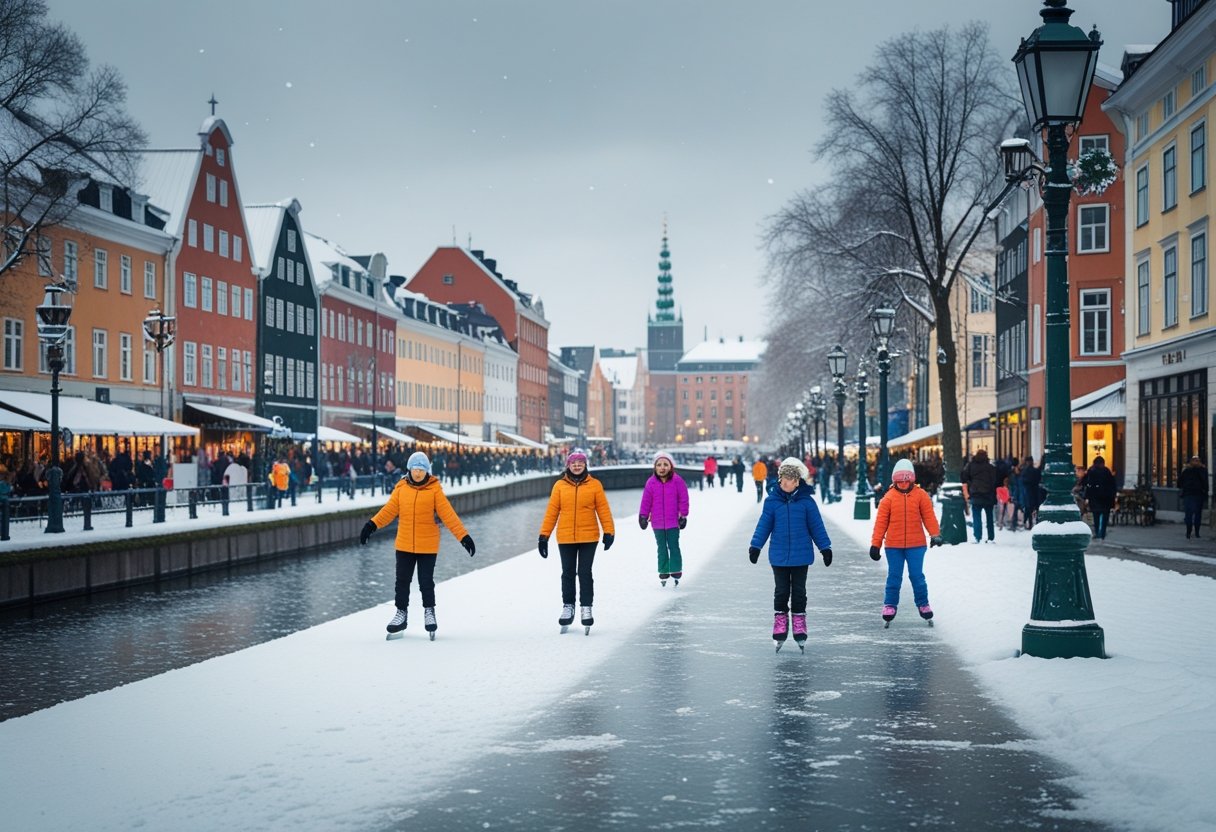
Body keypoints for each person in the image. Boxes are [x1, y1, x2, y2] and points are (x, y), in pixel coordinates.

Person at [359, 451, 476, 639]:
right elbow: (388, 511)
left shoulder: (435, 490)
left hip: (428, 545)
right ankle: (401, 613)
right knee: (402, 581)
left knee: (425, 582)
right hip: (404, 544)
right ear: (409, 470)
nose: (418, 473)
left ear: (427, 471)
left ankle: (429, 611)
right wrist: (371, 525)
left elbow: (449, 515)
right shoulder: (401, 489)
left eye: (422, 469)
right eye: (415, 469)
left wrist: (464, 537)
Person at [748, 457, 832, 652]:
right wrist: (755, 546)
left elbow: (817, 527)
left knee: (799, 592)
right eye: (783, 478)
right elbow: (763, 525)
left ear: (798, 481)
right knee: (781, 591)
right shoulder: (772, 502)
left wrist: (825, 548)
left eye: (790, 478)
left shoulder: (807, 503)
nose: (785, 482)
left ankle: (799, 622)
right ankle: (780, 621)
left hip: (801, 557)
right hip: (778, 556)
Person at [538, 448, 615, 633]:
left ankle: (586, 608)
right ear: (568, 465)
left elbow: (603, 509)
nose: (577, 465)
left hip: (589, 536)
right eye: (573, 463)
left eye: (580, 462)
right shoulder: (559, 486)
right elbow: (552, 512)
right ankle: (568, 606)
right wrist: (544, 536)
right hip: (565, 537)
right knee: (568, 573)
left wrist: (609, 532)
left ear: (585, 464)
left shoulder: (595, 485)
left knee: (585, 572)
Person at [870, 458, 943, 626]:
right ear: (894, 481)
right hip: (893, 546)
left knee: (917, 576)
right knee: (894, 577)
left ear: (912, 479)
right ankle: (890, 604)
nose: (903, 483)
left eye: (906, 479)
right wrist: (876, 544)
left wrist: (935, 534)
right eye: (900, 480)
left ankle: (923, 604)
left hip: (916, 545)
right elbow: (880, 523)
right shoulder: (888, 498)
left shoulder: (921, 496)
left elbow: (928, 516)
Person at [639, 451, 690, 587]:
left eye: (665, 464)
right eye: (659, 465)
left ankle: (675, 569)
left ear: (671, 466)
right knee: (661, 547)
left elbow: (683, 498)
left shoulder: (677, 481)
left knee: (673, 545)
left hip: (673, 521)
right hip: (657, 522)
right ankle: (663, 570)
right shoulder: (651, 483)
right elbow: (646, 501)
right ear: (655, 467)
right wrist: (643, 516)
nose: (662, 467)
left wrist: (683, 515)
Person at [960, 449, 997, 543]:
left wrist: (971, 484)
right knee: (989, 517)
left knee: (976, 517)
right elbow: (994, 480)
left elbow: (964, 476)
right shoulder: (990, 467)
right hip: (988, 495)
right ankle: (990, 537)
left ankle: (977, 536)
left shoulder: (971, 466)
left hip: (976, 494)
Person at [1082, 456, 1117, 540]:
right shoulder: (1107, 472)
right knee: (1105, 517)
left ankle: (1098, 532)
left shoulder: (1091, 471)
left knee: (1096, 516)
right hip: (1106, 499)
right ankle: (1102, 533)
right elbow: (1113, 485)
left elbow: (1084, 482)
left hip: (1095, 498)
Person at [1178, 455, 1209, 539]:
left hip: (1189, 494)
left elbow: (1179, 482)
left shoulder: (1186, 471)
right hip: (1198, 494)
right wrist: (1205, 492)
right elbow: (1206, 483)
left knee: (1189, 514)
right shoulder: (1203, 470)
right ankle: (1197, 532)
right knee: (1198, 514)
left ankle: (1188, 532)